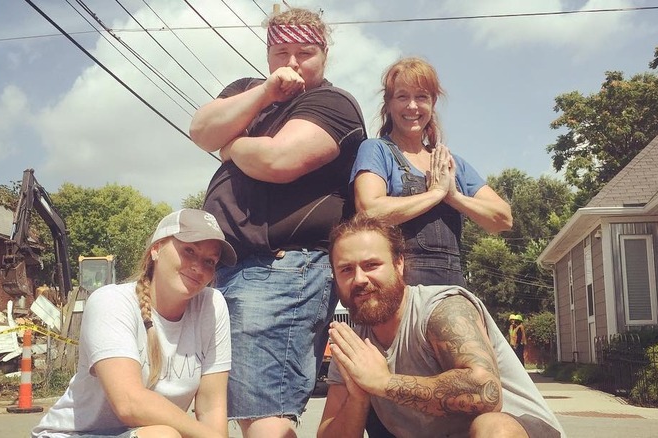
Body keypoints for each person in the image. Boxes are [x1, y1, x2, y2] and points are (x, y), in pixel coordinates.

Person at [189, 6, 366, 438]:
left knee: (264, 408)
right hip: (223, 266)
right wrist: (263, 94)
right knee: (215, 403)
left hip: (281, 267)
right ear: (267, 55)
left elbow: (278, 160)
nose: (291, 63)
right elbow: (200, 131)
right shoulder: (249, 91)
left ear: (324, 54)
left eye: (304, 52)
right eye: (281, 51)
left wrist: (231, 145)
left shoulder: (332, 102)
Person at [318, 215, 564, 438]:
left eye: (371, 265)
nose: (359, 279)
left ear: (399, 264)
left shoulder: (442, 307)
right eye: (346, 270)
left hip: (521, 431)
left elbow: (486, 392)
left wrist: (383, 382)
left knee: (493, 427)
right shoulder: (353, 346)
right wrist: (359, 396)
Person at [32, 209, 237, 438]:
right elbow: (130, 403)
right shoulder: (111, 301)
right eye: (189, 251)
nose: (198, 267)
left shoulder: (212, 306)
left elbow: (212, 407)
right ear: (156, 250)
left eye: (210, 261)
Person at [351, 57, 512, 288]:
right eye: (402, 96)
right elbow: (370, 211)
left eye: (421, 97)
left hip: (452, 288)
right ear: (388, 104)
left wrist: (455, 197)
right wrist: (435, 193)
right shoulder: (376, 150)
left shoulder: (451, 163)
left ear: (433, 103)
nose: (412, 106)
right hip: (399, 290)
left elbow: (503, 219)